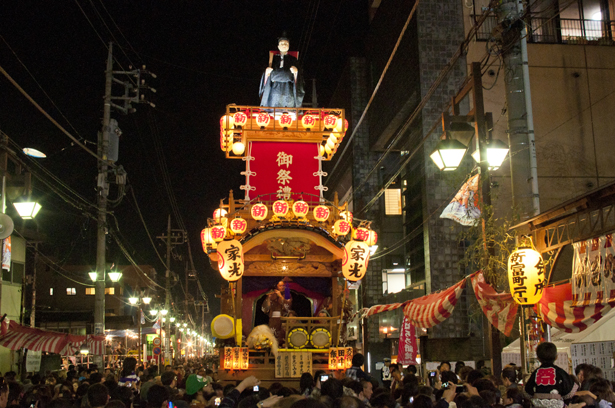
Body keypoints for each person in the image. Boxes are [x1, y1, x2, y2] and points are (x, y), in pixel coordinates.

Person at [259, 35, 305, 108]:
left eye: (286, 43)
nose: (284, 45)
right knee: (273, 105)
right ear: (278, 46)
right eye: (282, 43)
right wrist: (267, 73)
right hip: (274, 88)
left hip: (288, 88)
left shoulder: (293, 60)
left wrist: (296, 72)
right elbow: (267, 76)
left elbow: (299, 77)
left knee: (289, 105)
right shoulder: (273, 59)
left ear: (289, 46)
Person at [525, 342, 574, 408]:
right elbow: (569, 392)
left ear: (538, 358)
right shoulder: (560, 372)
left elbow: (527, 392)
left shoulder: (535, 373)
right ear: (556, 357)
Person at [262, 280, 293, 344]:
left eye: (283, 286)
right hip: (273, 318)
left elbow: (287, 306)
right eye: (280, 286)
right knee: (272, 335)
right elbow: (265, 308)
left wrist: (280, 296)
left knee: (282, 333)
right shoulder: (273, 294)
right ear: (276, 286)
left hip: (283, 318)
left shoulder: (287, 293)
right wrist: (268, 298)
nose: (282, 287)